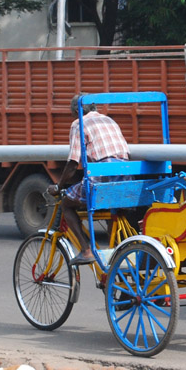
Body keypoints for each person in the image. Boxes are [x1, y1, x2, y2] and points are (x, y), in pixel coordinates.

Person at [47, 94, 129, 265]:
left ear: (77, 110)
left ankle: (86, 250)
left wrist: (59, 185)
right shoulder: (108, 120)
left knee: (67, 204)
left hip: (103, 175)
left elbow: (72, 163)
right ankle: (117, 255)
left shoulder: (79, 124)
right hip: (125, 175)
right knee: (109, 206)